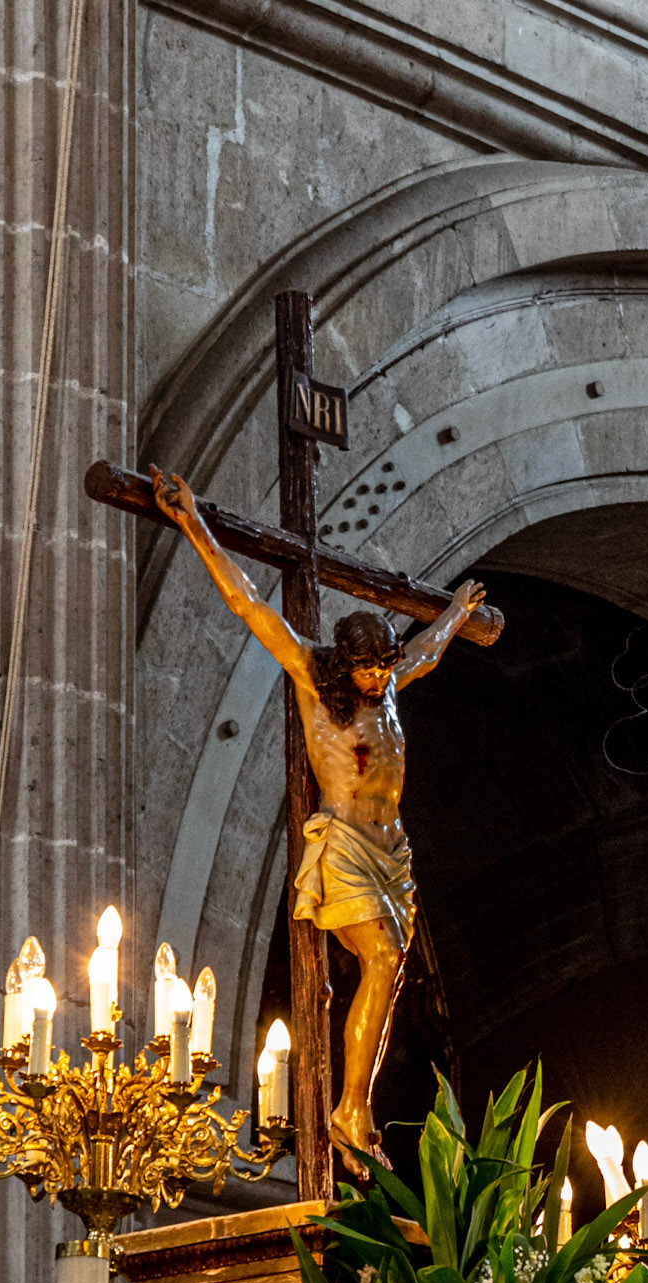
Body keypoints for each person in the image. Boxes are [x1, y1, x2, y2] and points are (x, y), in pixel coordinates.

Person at [152, 465, 486, 1174]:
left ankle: (354, 1102)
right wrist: (193, 524)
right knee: (385, 958)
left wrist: (455, 612)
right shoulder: (313, 676)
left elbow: (427, 650)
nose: (381, 679)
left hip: (392, 850)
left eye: (386, 667)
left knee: (393, 974)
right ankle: (348, 1108)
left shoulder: (392, 681)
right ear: (348, 662)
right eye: (370, 670)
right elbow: (248, 604)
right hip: (344, 844)